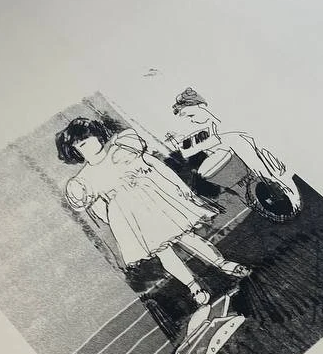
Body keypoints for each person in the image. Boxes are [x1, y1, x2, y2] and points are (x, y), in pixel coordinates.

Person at [55, 116, 249, 307]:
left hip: (157, 202)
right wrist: (121, 224)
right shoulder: (85, 179)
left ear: (98, 136)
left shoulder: (123, 148)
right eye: (81, 145)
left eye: (89, 139)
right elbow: (98, 208)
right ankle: (193, 286)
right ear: (75, 151)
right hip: (132, 218)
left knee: (187, 237)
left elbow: (156, 165)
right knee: (163, 252)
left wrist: (180, 188)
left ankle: (222, 263)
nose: (88, 146)